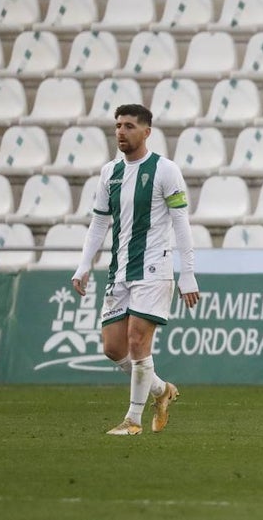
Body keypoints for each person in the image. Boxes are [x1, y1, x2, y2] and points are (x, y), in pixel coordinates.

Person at [72, 104, 200, 436]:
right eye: (117, 125)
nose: (121, 132)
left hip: (155, 268)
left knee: (137, 341)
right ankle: (162, 391)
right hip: (119, 271)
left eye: (129, 126)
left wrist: (187, 273)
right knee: (114, 348)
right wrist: (84, 265)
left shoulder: (165, 170)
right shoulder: (109, 172)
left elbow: (181, 223)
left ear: (146, 132)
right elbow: (99, 222)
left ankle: (133, 420)